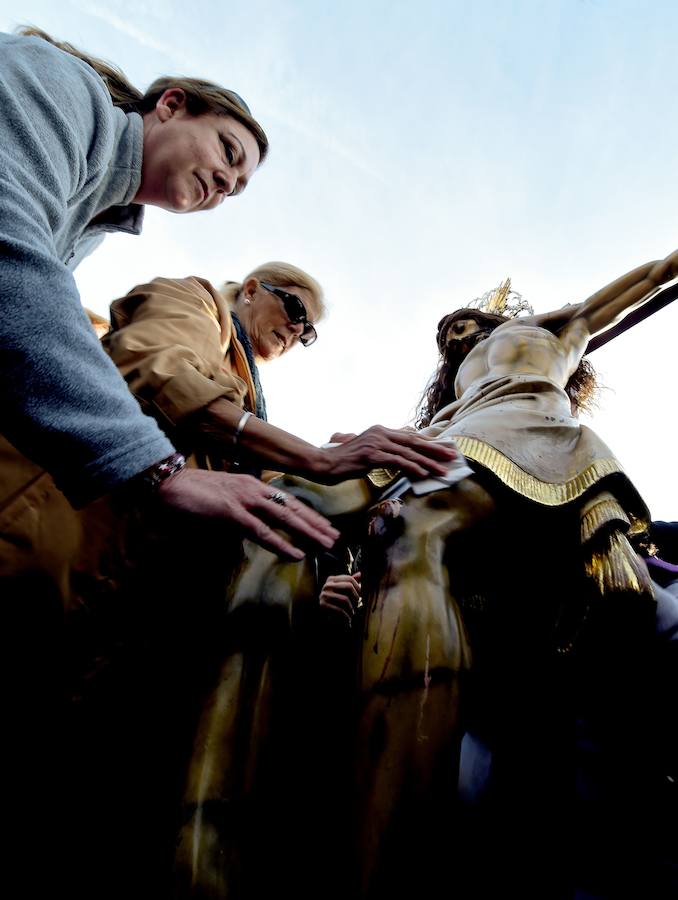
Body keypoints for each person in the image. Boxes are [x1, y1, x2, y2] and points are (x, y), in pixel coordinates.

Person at [189, 249, 678, 899]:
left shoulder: (541, 337)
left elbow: (641, 284)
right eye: (445, 329)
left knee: (418, 542)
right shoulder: (448, 406)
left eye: (462, 321)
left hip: (508, 449)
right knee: (281, 508)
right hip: (435, 454)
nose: (452, 330)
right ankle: (211, 828)